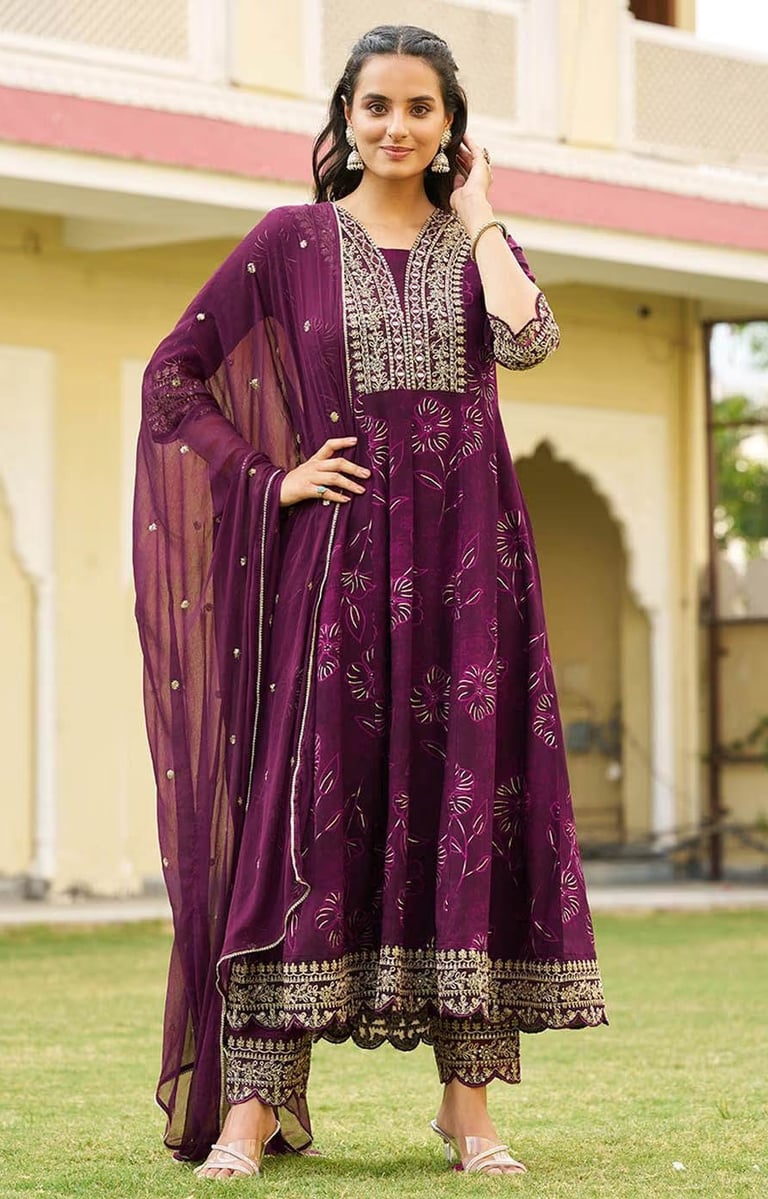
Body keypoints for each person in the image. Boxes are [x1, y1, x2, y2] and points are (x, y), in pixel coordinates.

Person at [134, 22, 607, 1183]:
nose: (399, 127)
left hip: (469, 573)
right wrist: (269, 477)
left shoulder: (474, 241)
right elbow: (172, 373)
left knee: (467, 801)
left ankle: (470, 1108)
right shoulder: (291, 240)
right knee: (305, 812)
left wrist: (485, 209)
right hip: (338, 566)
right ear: (346, 116)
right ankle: (251, 1107)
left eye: (422, 110)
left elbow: (530, 338)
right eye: (378, 106)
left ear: (453, 127)